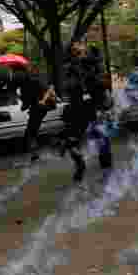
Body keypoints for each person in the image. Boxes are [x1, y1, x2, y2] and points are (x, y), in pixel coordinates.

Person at [60, 38, 113, 183]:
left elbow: (103, 82)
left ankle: (106, 171)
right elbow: (66, 86)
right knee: (71, 140)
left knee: (102, 138)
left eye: (80, 44)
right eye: (75, 45)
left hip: (96, 104)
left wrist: (92, 78)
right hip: (78, 106)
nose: (78, 47)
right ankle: (80, 164)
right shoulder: (69, 66)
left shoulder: (94, 61)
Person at [12, 65, 56, 161]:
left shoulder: (34, 80)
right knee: (31, 132)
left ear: (22, 72)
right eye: (14, 73)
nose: (14, 75)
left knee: (30, 132)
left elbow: (50, 89)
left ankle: (36, 154)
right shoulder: (22, 85)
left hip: (41, 107)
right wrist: (22, 101)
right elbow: (25, 105)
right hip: (36, 108)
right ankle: (37, 153)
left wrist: (43, 100)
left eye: (16, 72)